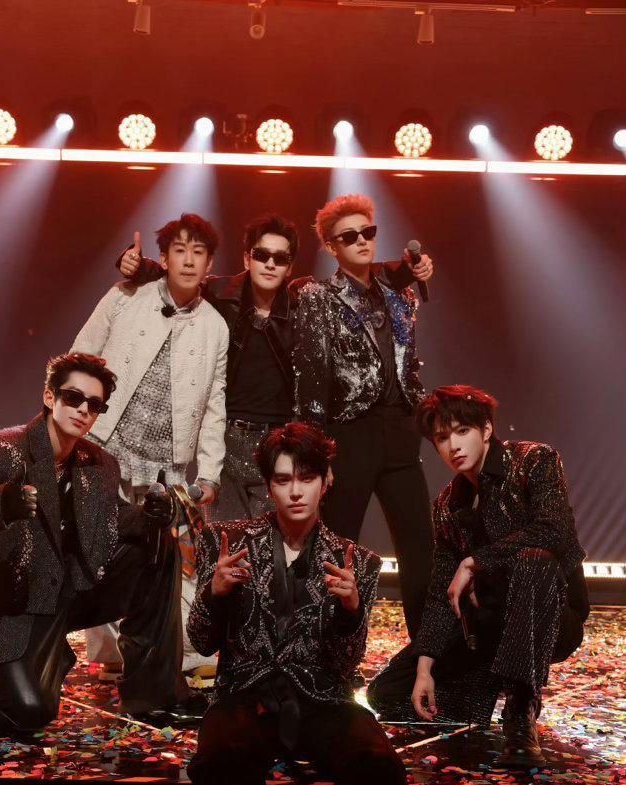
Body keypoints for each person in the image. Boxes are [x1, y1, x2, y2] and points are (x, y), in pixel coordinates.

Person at [186, 422, 418, 785]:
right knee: (217, 768)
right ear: (268, 485)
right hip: (245, 692)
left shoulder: (356, 559)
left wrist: (349, 613)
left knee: (380, 769)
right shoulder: (228, 541)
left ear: (326, 481)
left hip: (321, 697)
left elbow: (346, 663)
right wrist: (214, 595)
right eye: (283, 479)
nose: (295, 491)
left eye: (307, 478)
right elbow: (201, 641)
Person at [0, 352, 184, 736]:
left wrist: (152, 514)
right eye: (73, 397)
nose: (83, 409)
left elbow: (112, 522)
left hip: (67, 593)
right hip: (4, 607)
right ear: (50, 397)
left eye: (94, 405)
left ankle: (152, 694)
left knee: (158, 544)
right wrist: (2, 505)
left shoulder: (99, 463)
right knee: (27, 714)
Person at [367, 385, 590, 768]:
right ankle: (486, 686)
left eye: (462, 431)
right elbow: (441, 591)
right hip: (488, 626)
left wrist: (475, 561)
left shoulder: (534, 460)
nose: (453, 445)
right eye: (442, 438)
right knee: (387, 693)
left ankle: (521, 709)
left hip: (550, 616)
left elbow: (555, 530)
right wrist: (425, 665)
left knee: (534, 560)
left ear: (486, 429)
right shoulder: (447, 505)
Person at [71, 213, 229, 689]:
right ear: (163, 257)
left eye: (198, 252)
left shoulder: (215, 326)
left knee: (173, 560)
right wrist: (70, 432)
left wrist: (211, 471)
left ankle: (182, 651)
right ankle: (109, 652)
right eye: (179, 250)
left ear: (209, 264)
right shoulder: (126, 296)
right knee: (99, 549)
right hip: (107, 444)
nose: (188, 260)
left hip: (167, 463)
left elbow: (215, 401)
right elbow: (82, 355)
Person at [293, 193, 435, 639]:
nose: (361, 241)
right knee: (338, 549)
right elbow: (312, 382)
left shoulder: (400, 293)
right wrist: (317, 457)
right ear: (331, 247)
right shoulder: (318, 297)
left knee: (420, 546)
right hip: (350, 434)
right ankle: (327, 649)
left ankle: (426, 654)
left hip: (401, 431)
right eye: (348, 236)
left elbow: (407, 365)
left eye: (368, 232)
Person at [117, 212, 300, 521]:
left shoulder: (301, 309)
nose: (270, 264)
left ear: (290, 266)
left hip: (278, 443)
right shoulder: (221, 294)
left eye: (280, 258)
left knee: (272, 542)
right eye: (261, 255)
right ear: (247, 258)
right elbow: (181, 277)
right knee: (223, 541)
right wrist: (136, 266)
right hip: (225, 438)